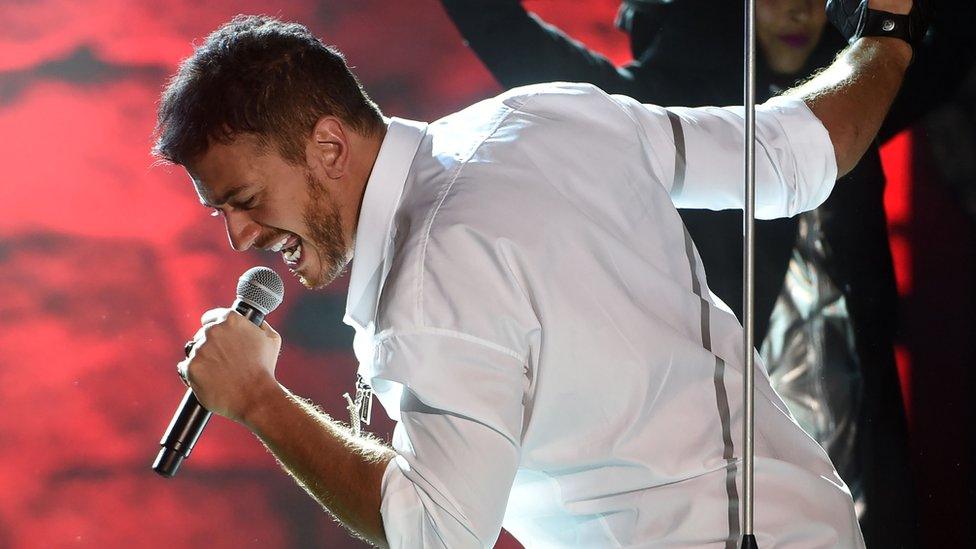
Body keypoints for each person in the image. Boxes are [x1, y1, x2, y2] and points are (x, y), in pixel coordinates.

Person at [154, 0, 921, 546]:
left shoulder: (427, 282)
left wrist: (259, 399)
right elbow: (794, 158)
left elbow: (435, 531)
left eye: (244, 200)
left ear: (328, 146)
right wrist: (887, 32)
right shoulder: (551, 116)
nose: (239, 237)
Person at [438, 1, 974, 545]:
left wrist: (886, 24)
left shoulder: (854, 101)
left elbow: (950, 46)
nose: (799, 11)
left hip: (856, 448)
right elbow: (503, 32)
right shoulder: (653, 114)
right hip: (729, 473)